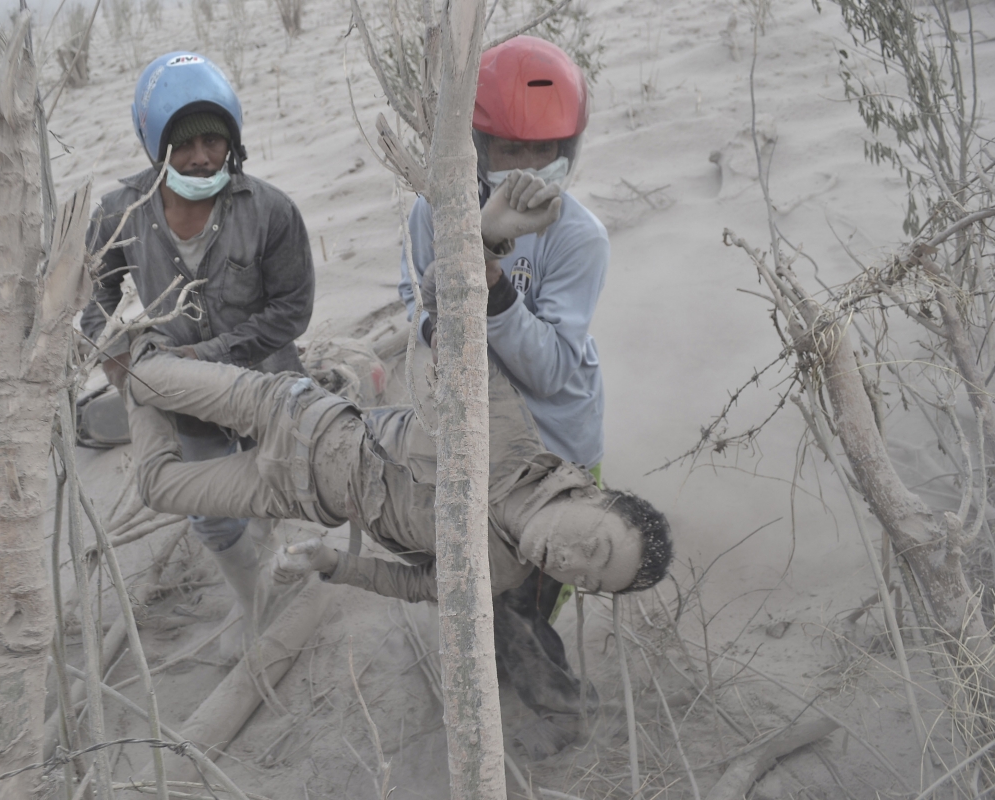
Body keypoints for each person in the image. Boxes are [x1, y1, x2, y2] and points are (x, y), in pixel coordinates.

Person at [123, 331, 672, 755]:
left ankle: (153, 364)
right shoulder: (506, 437)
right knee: (138, 374)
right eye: (594, 548)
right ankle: (146, 343)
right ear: (592, 495)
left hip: (290, 492)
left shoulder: (499, 574)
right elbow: (449, 321)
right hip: (290, 413)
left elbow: (412, 583)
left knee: (158, 486)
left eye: (589, 582)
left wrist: (334, 561)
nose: (572, 564)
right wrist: (491, 241)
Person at [80, 52, 315, 657]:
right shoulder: (119, 213)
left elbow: (291, 310)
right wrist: (109, 352)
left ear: (233, 141)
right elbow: (92, 293)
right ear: (155, 146)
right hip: (185, 403)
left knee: (281, 481)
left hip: (265, 380)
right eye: (184, 146)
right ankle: (251, 601)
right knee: (209, 513)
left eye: (214, 140)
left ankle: (275, 559)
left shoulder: (270, 210)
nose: (202, 157)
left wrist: (208, 354)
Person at [397, 35, 607, 670]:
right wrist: (454, 287)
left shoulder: (579, 237)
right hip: (477, 444)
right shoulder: (432, 212)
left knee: (531, 606)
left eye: (543, 150)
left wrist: (487, 289)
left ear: (567, 149)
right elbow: (416, 304)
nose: (525, 165)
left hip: (557, 453)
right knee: (483, 593)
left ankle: (552, 716)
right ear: (478, 147)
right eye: (510, 148)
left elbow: (549, 369)